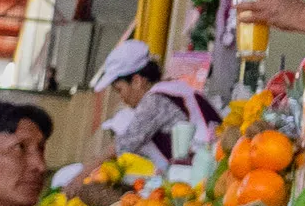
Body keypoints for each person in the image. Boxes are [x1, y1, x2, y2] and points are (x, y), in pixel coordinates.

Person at [88, 39, 217, 172]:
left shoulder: (154, 100)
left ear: (137, 81)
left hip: (207, 167)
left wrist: (81, 176)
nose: (121, 97)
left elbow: (125, 144)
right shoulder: (171, 88)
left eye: (120, 90)